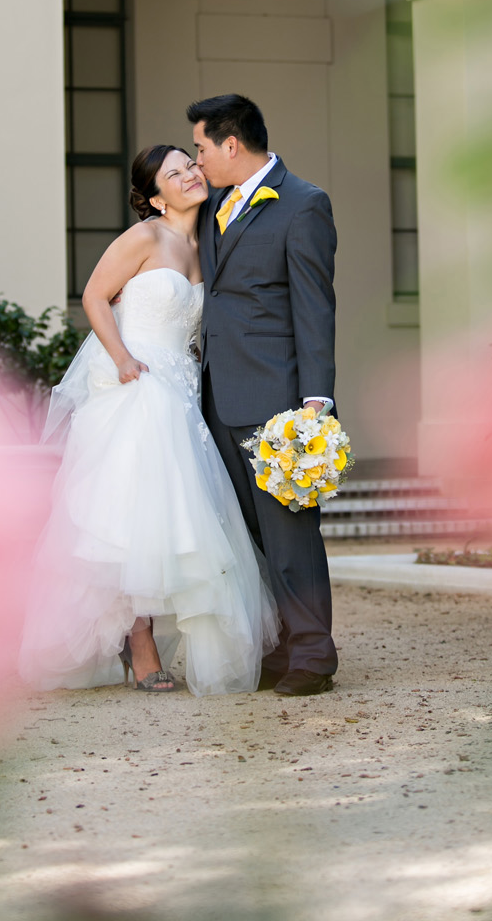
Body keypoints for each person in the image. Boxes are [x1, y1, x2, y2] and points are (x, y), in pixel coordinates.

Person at [19, 144, 278, 696]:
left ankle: (178, 638)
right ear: (156, 196)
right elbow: (94, 294)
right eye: (174, 172)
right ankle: (140, 642)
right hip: (134, 383)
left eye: (191, 164)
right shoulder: (144, 238)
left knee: (180, 516)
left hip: (181, 388)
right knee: (129, 519)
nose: (189, 174)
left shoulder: (209, 244)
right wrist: (120, 359)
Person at [188, 94, 338, 697]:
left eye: (200, 147)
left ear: (231, 144)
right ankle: (277, 646)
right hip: (217, 397)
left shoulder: (304, 205)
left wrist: (315, 404)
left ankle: (313, 655)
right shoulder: (214, 206)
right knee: (248, 536)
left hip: (278, 400)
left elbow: (315, 310)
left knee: (290, 533)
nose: (197, 161)